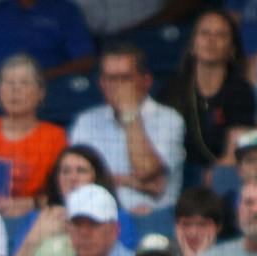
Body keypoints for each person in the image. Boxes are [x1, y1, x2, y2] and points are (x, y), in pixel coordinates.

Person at [71, 44, 185, 214]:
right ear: (101, 83)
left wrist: (131, 115)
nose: (117, 86)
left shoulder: (169, 119)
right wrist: (132, 182)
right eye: (111, 79)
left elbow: (145, 170)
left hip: (153, 218)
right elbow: (75, 180)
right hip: (95, 218)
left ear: (146, 81)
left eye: (125, 78)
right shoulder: (86, 121)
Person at [0, 55, 68, 221]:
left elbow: (64, 193)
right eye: (8, 83)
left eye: (24, 83)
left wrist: (32, 203)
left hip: (32, 218)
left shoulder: (55, 137)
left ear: (41, 93)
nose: (15, 90)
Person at [160, 9, 256, 172]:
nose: (211, 41)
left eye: (220, 35)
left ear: (232, 48)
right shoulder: (172, 89)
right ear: (192, 45)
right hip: (175, 173)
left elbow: (235, 154)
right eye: (205, 33)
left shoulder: (241, 93)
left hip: (221, 176)